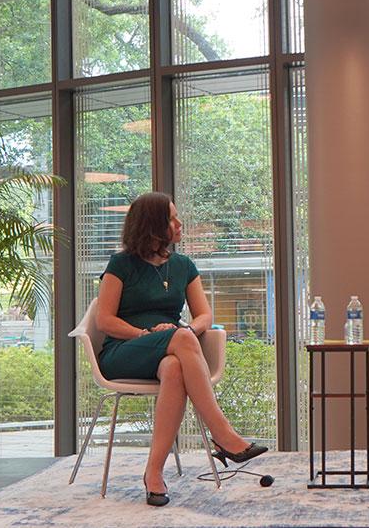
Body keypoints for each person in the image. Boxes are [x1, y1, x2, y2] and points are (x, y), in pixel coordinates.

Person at [96, 192, 267, 507]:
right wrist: (147, 333)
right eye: (172, 218)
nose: (179, 223)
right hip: (125, 350)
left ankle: (154, 474)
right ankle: (223, 433)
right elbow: (104, 320)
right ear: (152, 225)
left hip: (170, 351)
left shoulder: (184, 265)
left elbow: (204, 315)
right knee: (183, 339)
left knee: (175, 365)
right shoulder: (121, 264)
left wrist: (185, 330)